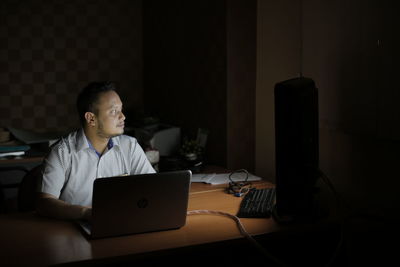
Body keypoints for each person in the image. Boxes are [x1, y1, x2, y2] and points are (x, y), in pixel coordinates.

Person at [36, 82, 155, 221]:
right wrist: (86, 214)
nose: (123, 116)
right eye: (114, 111)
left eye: (121, 110)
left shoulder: (130, 146)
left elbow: (153, 187)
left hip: (120, 223)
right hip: (73, 229)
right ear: (91, 118)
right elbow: (44, 203)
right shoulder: (62, 152)